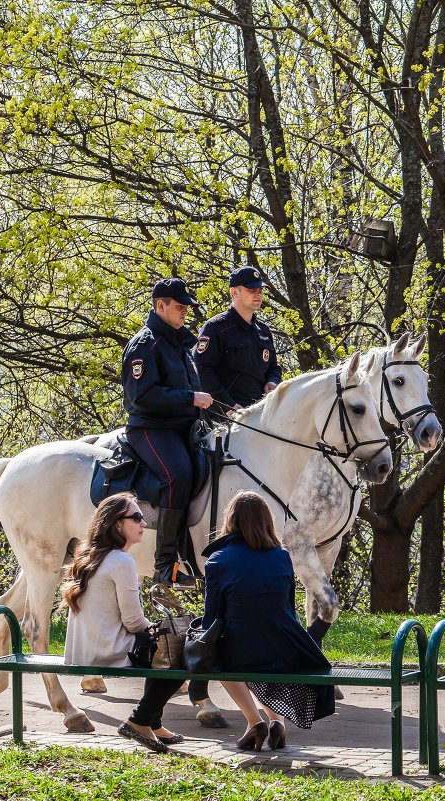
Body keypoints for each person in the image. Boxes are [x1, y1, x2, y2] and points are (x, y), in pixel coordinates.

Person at [199, 491, 335, 750]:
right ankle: (277, 722)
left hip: (242, 650)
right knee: (265, 650)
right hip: (284, 646)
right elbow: (287, 608)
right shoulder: (282, 557)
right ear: (266, 522)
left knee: (223, 659)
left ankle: (254, 721)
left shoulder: (218, 560)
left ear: (231, 520)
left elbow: (212, 617)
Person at [62, 492, 185, 753]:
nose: (144, 523)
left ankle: (153, 722)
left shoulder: (88, 556)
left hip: (83, 650)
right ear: (117, 524)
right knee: (178, 651)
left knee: (160, 645)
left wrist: (150, 631)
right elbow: (132, 621)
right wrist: (154, 629)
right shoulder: (122, 561)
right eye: (137, 517)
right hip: (108, 650)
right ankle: (140, 720)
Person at [122, 277, 213, 587]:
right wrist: (190, 398)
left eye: (187, 307)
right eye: (179, 306)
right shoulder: (145, 344)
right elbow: (142, 395)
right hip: (150, 428)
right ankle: (164, 567)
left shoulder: (179, 342)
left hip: (183, 428)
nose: (185, 311)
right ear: (160, 306)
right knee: (178, 474)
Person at [193, 267, 281, 410]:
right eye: (252, 290)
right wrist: (229, 406)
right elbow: (202, 370)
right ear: (234, 292)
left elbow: (274, 367)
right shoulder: (215, 328)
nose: (258, 294)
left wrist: (273, 382)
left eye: (260, 290)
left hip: (262, 413)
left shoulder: (263, 330)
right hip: (227, 417)